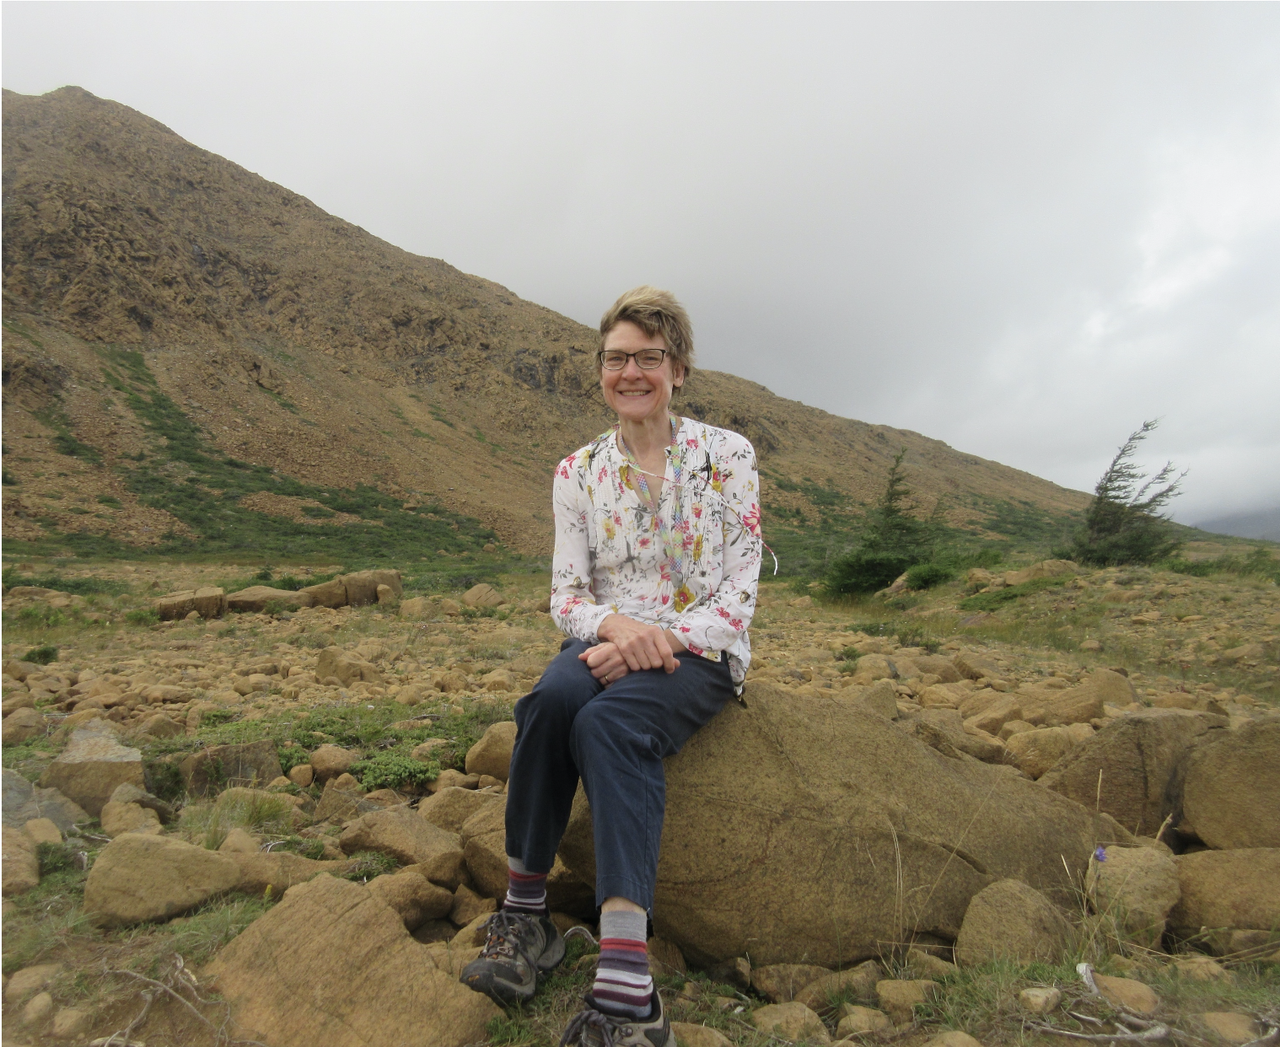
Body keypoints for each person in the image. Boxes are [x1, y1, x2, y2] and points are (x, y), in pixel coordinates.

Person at [460, 286, 763, 1047]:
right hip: (604, 638)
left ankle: (630, 985)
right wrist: (619, 628)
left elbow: (737, 594)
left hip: (698, 652)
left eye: (648, 357)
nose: (631, 371)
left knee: (610, 724)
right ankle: (527, 918)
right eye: (617, 358)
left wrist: (657, 639)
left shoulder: (727, 456)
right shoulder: (578, 471)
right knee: (550, 701)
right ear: (602, 370)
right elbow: (566, 595)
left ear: (679, 368)